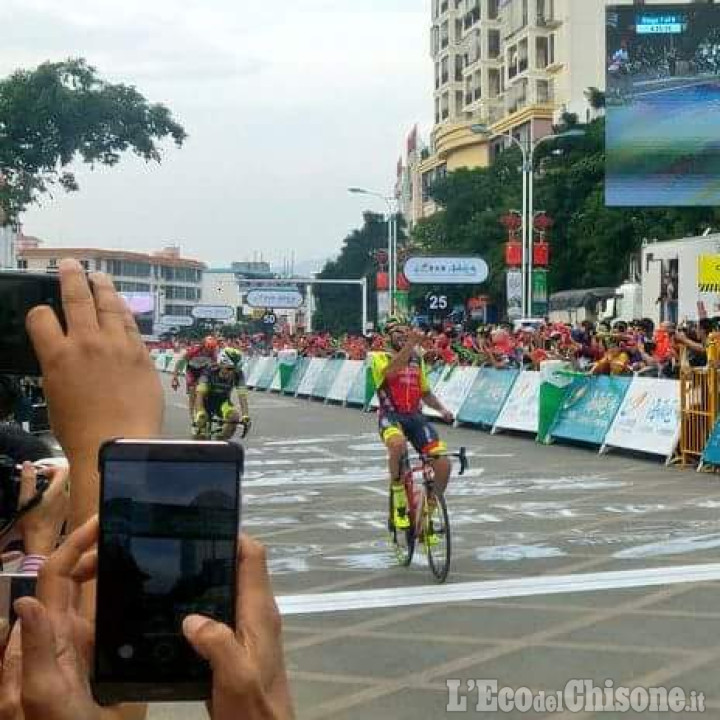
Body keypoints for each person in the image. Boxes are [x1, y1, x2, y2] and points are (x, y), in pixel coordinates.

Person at [0, 258, 295, 720]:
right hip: (202, 396)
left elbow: (237, 396)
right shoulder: (197, 363)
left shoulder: (227, 368)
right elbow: (194, 388)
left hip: (221, 400)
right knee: (201, 407)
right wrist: (116, 441)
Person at [370, 318, 453, 532]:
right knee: (397, 445)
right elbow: (390, 373)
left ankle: (427, 513)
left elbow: (425, 392)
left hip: (415, 418)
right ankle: (398, 498)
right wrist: (410, 345)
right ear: (386, 336)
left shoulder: (418, 360)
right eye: (397, 332)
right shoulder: (378, 356)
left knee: (444, 464)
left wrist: (442, 409)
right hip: (391, 416)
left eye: (406, 331)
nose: (403, 335)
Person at [194, 347, 251, 440]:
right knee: (201, 433)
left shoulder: (238, 374)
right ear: (221, 364)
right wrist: (200, 411)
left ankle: (220, 442)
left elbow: (242, 397)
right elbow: (200, 394)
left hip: (223, 403)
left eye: (234, 369)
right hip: (205, 402)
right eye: (229, 368)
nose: (231, 372)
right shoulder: (209, 370)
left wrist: (245, 415)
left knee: (234, 417)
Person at [171, 335, 220, 421]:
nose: (208, 351)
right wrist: (175, 378)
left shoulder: (212, 353)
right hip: (192, 371)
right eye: (207, 348)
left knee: (203, 389)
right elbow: (179, 363)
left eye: (211, 349)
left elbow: (215, 366)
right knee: (192, 391)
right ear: (203, 345)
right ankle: (192, 416)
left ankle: (203, 408)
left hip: (203, 371)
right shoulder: (193, 350)